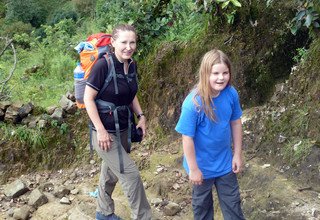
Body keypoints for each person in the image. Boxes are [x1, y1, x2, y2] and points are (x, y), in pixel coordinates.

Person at [84, 24, 152, 220]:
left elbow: (131, 94)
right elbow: (88, 99)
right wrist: (101, 130)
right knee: (130, 175)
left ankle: (103, 213)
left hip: (124, 127)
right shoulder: (102, 65)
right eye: (124, 42)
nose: (128, 47)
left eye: (132, 42)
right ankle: (143, 216)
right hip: (104, 131)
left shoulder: (132, 64)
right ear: (113, 43)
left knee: (111, 173)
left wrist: (141, 116)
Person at [175, 49, 245, 220]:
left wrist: (237, 155)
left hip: (225, 164)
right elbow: (187, 137)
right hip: (201, 168)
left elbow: (235, 123)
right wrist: (193, 169)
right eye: (215, 73)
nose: (221, 78)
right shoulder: (193, 104)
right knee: (203, 210)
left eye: (225, 73)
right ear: (205, 73)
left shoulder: (231, 93)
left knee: (233, 207)